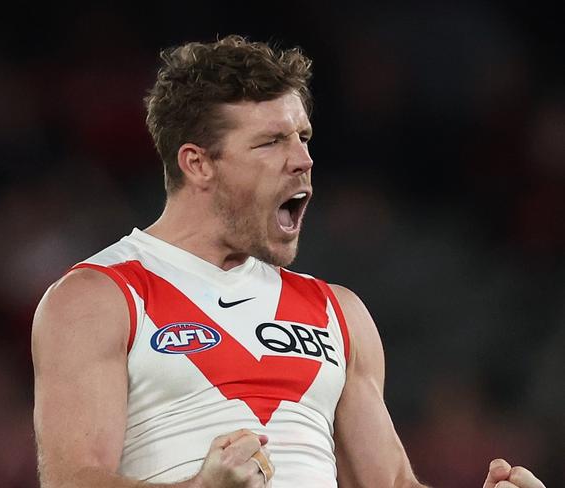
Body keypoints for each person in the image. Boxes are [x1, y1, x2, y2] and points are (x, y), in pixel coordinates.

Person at [31, 35, 546, 488]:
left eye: (303, 138)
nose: (302, 159)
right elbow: (72, 481)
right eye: (271, 141)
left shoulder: (337, 311)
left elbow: (390, 483)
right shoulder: (99, 297)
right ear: (198, 163)